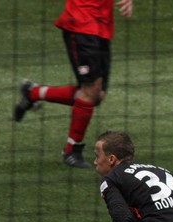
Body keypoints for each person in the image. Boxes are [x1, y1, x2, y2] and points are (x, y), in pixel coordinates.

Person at [13, 0, 134, 168]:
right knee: (91, 91)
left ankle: (32, 93)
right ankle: (71, 150)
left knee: (97, 95)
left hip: (102, 25)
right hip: (81, 22)